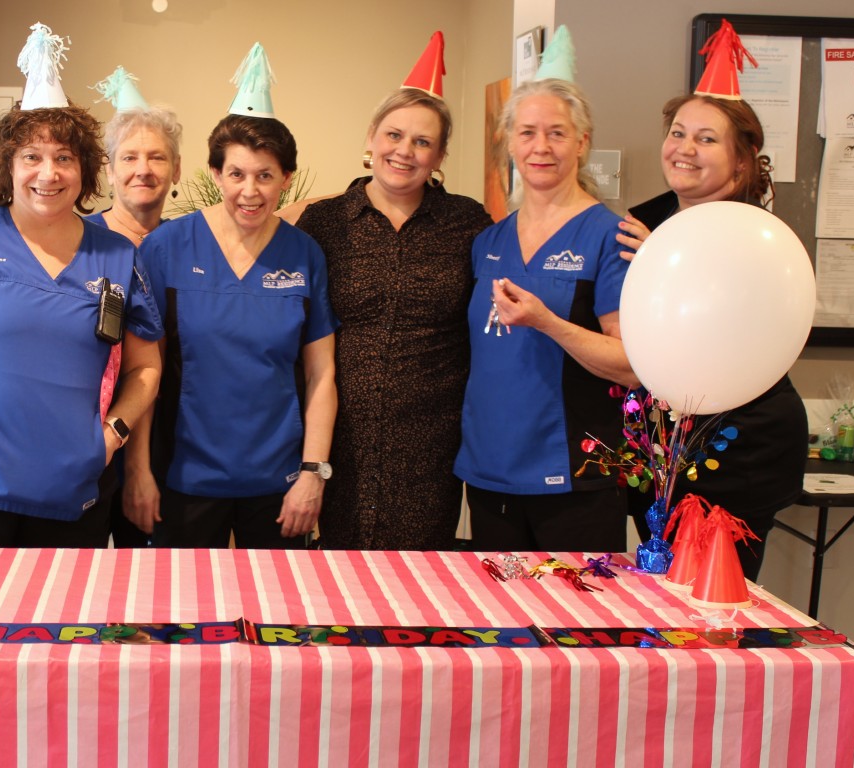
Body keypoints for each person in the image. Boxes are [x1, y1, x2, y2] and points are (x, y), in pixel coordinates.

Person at [0, 36, 163, 548]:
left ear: (85, 169)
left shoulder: (116, 255)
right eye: (32, 156)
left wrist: (113, 436)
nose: (49, 173)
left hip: (79, 494)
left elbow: (145, 368)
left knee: (69, 604)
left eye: (64, 157)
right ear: (9, 165)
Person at [287, 32, 493, 550]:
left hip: (433, 442)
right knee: (336, 572)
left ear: (440, 155)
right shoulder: (324, 222)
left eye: (423, 142)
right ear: (371, 138)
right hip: (339, 436)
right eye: (394, 135)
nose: (404, 151)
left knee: (420, 576)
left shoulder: (467, 223)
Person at [618, 26, 808, 581]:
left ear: (742, 161)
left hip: (741, 447)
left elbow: (724, 322)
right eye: (678, 133)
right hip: (660, 448)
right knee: (662, 594)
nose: (685, 148)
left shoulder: (757, 237)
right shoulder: (643, 221)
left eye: (706, 139)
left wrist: (663, 261)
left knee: (714, 597)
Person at [124, 110, 338, 549]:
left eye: (265, 176)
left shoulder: (304, 255)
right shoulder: (167, 248)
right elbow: (144, 373)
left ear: (286, 179)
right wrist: (138, 470)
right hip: (184, 479)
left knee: (280, 595)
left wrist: (313, 473)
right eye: (237, 174)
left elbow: (322, 374)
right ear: (216, 173)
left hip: (281, 482)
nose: (250, 191)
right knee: (181, 596)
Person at [454, 72, 638, 554]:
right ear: (510, 142)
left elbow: (631, 365)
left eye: (557, 133)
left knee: (579, 606)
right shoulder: (487, 241)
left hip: (575, 477)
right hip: (490, 472)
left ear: (582, 142)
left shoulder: (611, 237)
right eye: (528, 132)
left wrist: (548, 323)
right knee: (494, 604)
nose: (541, 147)